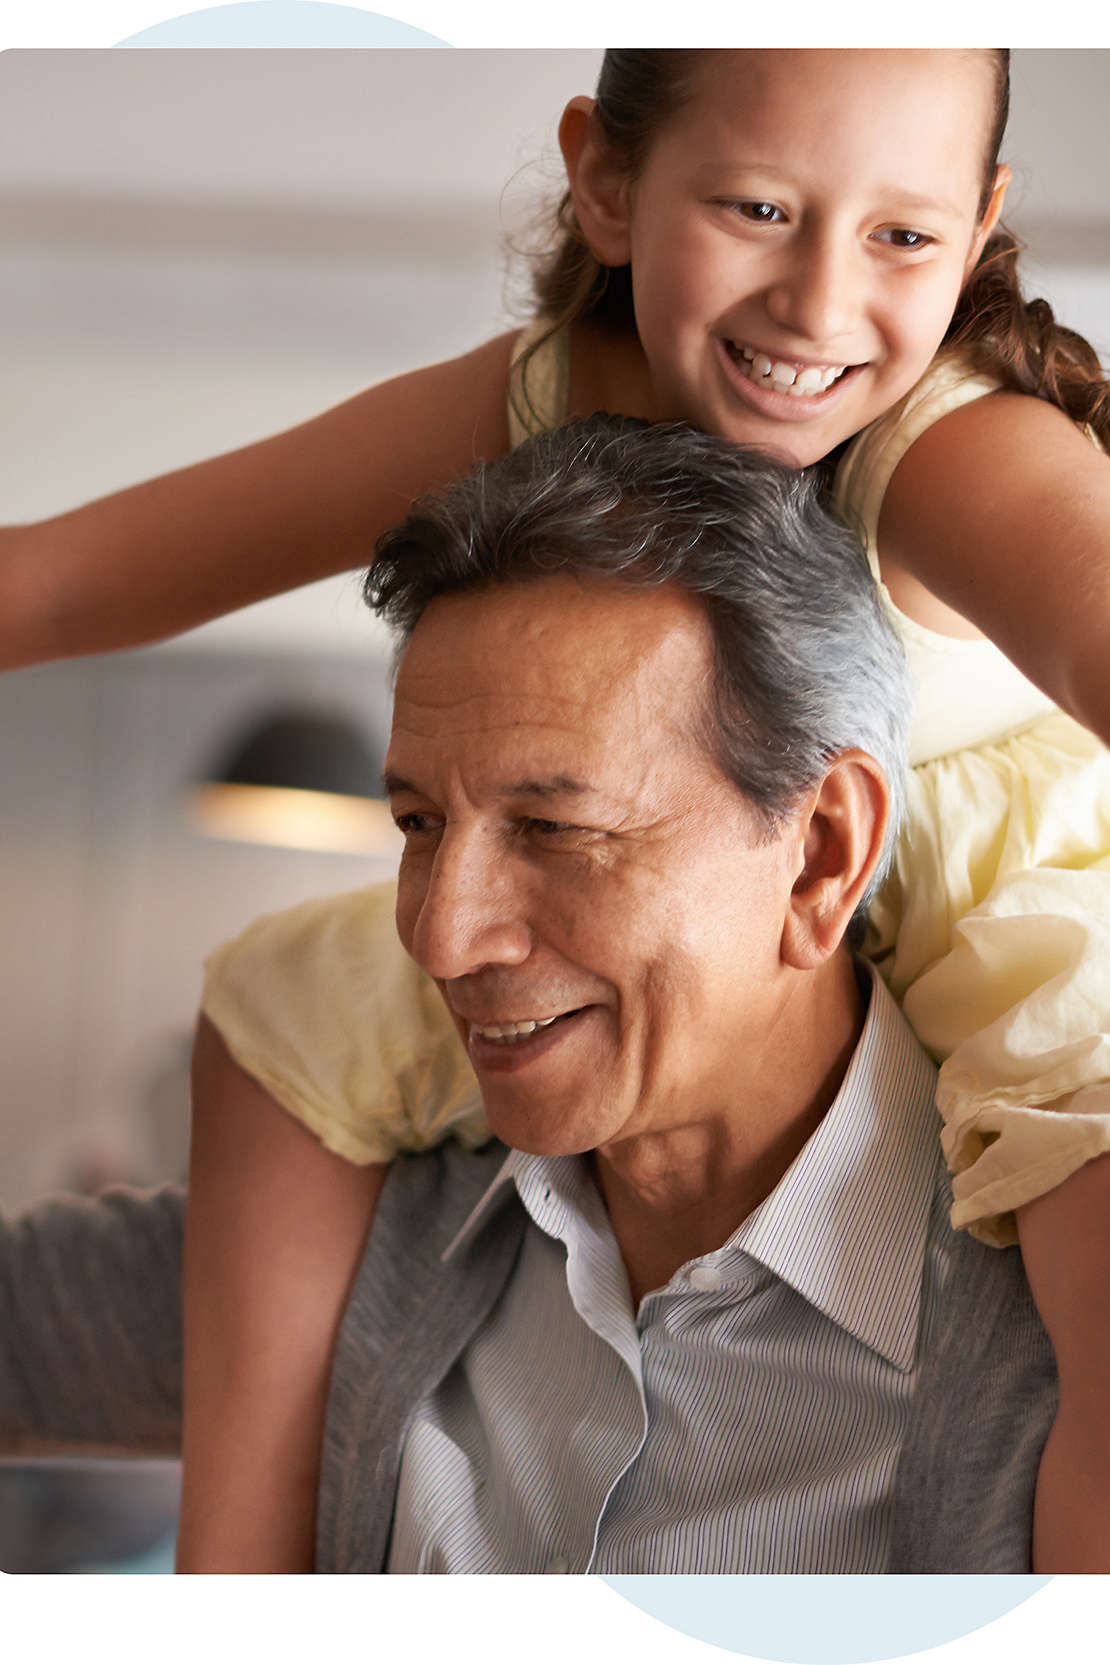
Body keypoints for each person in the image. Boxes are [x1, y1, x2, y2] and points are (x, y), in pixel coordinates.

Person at [4, 50, 1109, 1566]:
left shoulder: (958, 449)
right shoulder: (533, 392)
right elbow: (65, 578)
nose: (815, 301)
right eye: (759, 207)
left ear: (979, 226)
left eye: (899, 236)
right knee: (281, 1019)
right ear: (602, 181)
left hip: (1018, 903)